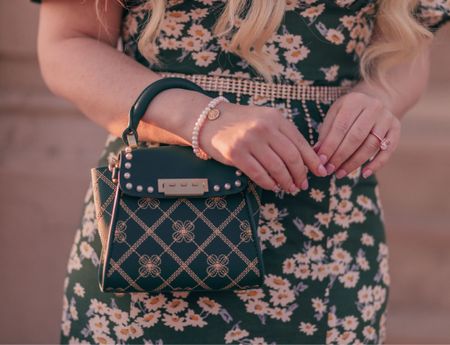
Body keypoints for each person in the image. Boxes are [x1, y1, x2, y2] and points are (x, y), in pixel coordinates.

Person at [33, 0, 449, 343]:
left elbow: (410, 49)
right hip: (159, 223)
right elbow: (68, 42)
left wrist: (378, 98)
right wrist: (202, 118)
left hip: (327, 231)